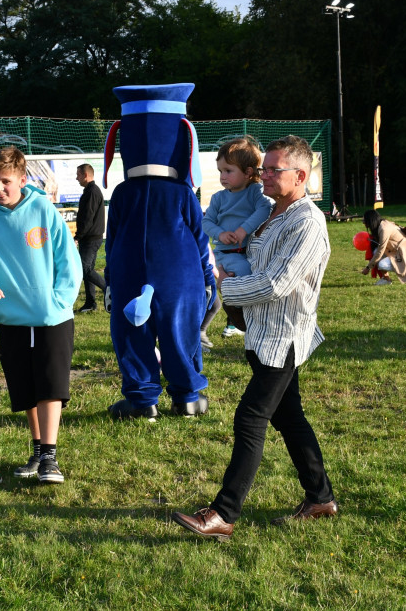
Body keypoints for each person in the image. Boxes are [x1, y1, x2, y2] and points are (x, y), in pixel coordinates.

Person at [172, 135, 336, 541]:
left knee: (251, 417)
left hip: (284, 337)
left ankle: (224, 514)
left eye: (273, 170)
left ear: (300, 176)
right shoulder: (276, 212)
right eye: (264, 168)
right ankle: (320, 498)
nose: (264, 175)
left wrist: (228, 288)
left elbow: (278, 283)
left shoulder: (307, 222)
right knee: (288, 417)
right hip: (262, 334)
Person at [0, 147, 82, 485]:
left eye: (5, 181)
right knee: (26, 388)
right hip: (13, 320)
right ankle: (37, 450)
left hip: (52, 318)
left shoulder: (44, 210)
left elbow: (68, 261)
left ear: (22, 179)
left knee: (50, 385)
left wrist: (58, 301)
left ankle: (50, 457)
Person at [202, 137, 273, 337]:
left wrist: (243, 230)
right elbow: (206, 222)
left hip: (248, 251)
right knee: (246, 273)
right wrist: (220, 233)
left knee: (257, 275)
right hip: (226, 255)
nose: (222, 177)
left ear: (248, 172)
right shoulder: (218, 198)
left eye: (228, 171)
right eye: (220, 172)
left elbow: (264, 209)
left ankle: (240, 317)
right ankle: (239, 319)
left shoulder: (255, 192)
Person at [360, 209, 406, 285]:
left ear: (370, 221)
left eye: (365, 221)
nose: (364, 224)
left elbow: (380, 251)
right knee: (375, 252)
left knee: (382, 264)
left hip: (405, 251)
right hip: (397, 250)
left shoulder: (384, 229)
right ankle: (386, 279)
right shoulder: (382, 224)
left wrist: (368, 268)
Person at [73, 163, 106, 313]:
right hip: (90, 237)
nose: (76, 178)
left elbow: (88, 217)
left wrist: (77, 237)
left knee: (84, 269)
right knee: (88, 269)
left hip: (91, 238)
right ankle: (90, 302)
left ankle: (108, 289)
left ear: (86, 175)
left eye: (78, 175)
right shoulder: (90, 191)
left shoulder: (92, 191)